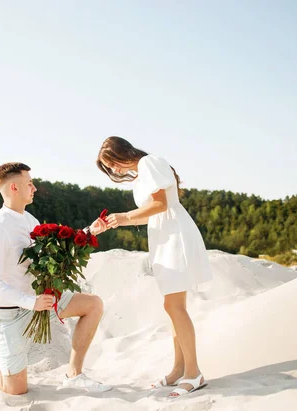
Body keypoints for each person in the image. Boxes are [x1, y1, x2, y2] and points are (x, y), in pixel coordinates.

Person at [0, 162, 111, 395]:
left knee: (93, 305)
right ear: (14, 188)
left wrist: (89, 233)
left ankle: (74, 375)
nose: (35, 187)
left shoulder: (29, 220)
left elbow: (51, 252)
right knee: (15, 389)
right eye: (29, 183)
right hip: (8, 314)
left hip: (38, 301)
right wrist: (32, 302)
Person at [96, 136, 212, 397]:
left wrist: (124, 217)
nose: (113, 170)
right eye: (109, 167)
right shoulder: (142, 172)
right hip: (164, 235)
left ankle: (194, 373)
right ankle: (178, 368)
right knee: (172, 305)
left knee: (174, 305)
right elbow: (153, 208)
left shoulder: (149, 162)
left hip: (174, 234)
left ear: (122, 152)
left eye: (111, 163)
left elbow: (161, 204)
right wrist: (118, 221)